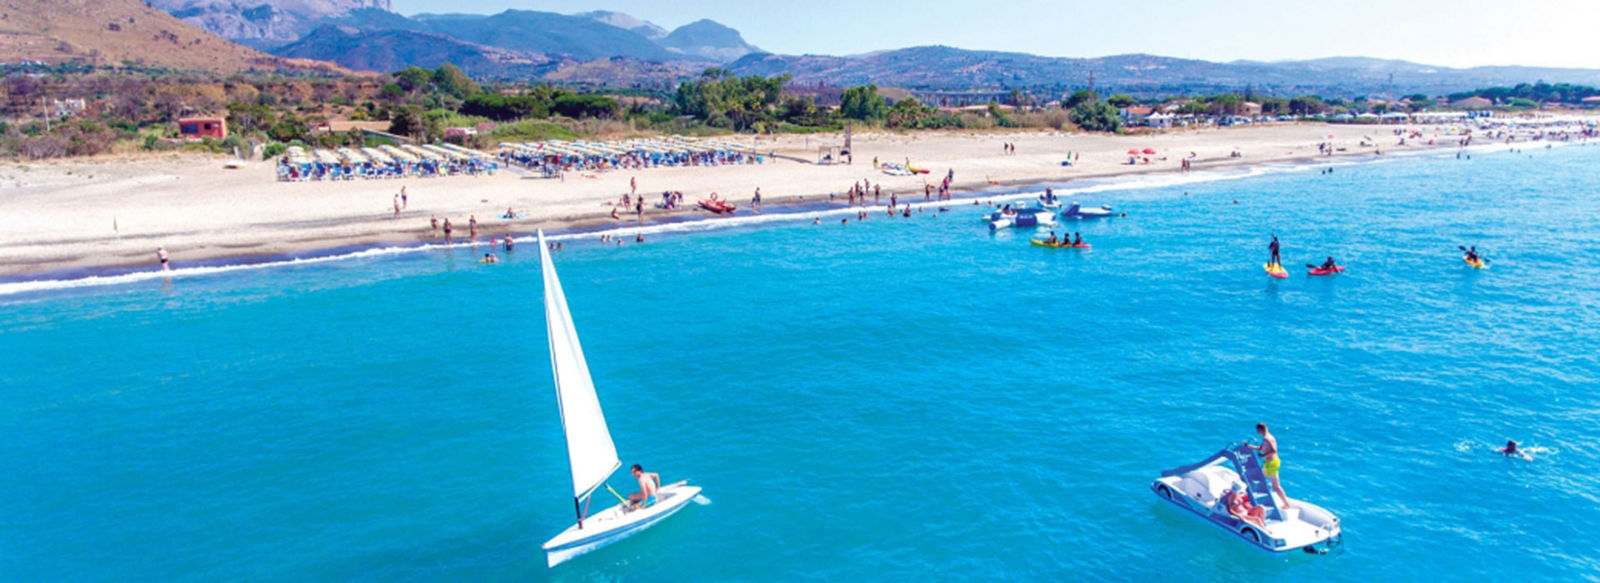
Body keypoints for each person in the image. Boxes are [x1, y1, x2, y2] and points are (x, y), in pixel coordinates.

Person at [1249, 423, 1291, 509]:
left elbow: (1273, 450)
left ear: (1260, 430)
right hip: (1270, 463)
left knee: (1276, 485)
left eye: (1258, 431)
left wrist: (1263, 455)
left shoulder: (1267, 439)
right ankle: (1262, 497)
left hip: (1271, 463)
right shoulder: (1270, 437)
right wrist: (1249, 446)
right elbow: (1261, 448)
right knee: (1260, 477)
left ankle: (1286, 503)